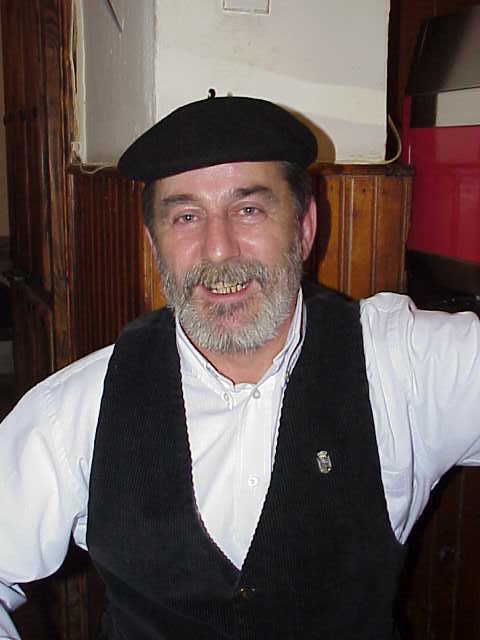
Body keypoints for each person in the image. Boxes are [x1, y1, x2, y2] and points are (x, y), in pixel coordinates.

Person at [0, 95, 479, 640]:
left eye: (248, 209)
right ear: (155, 244)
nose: (218, 250)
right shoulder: (77, 408)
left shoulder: (403, 367)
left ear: (304, 228)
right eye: (186, 217)